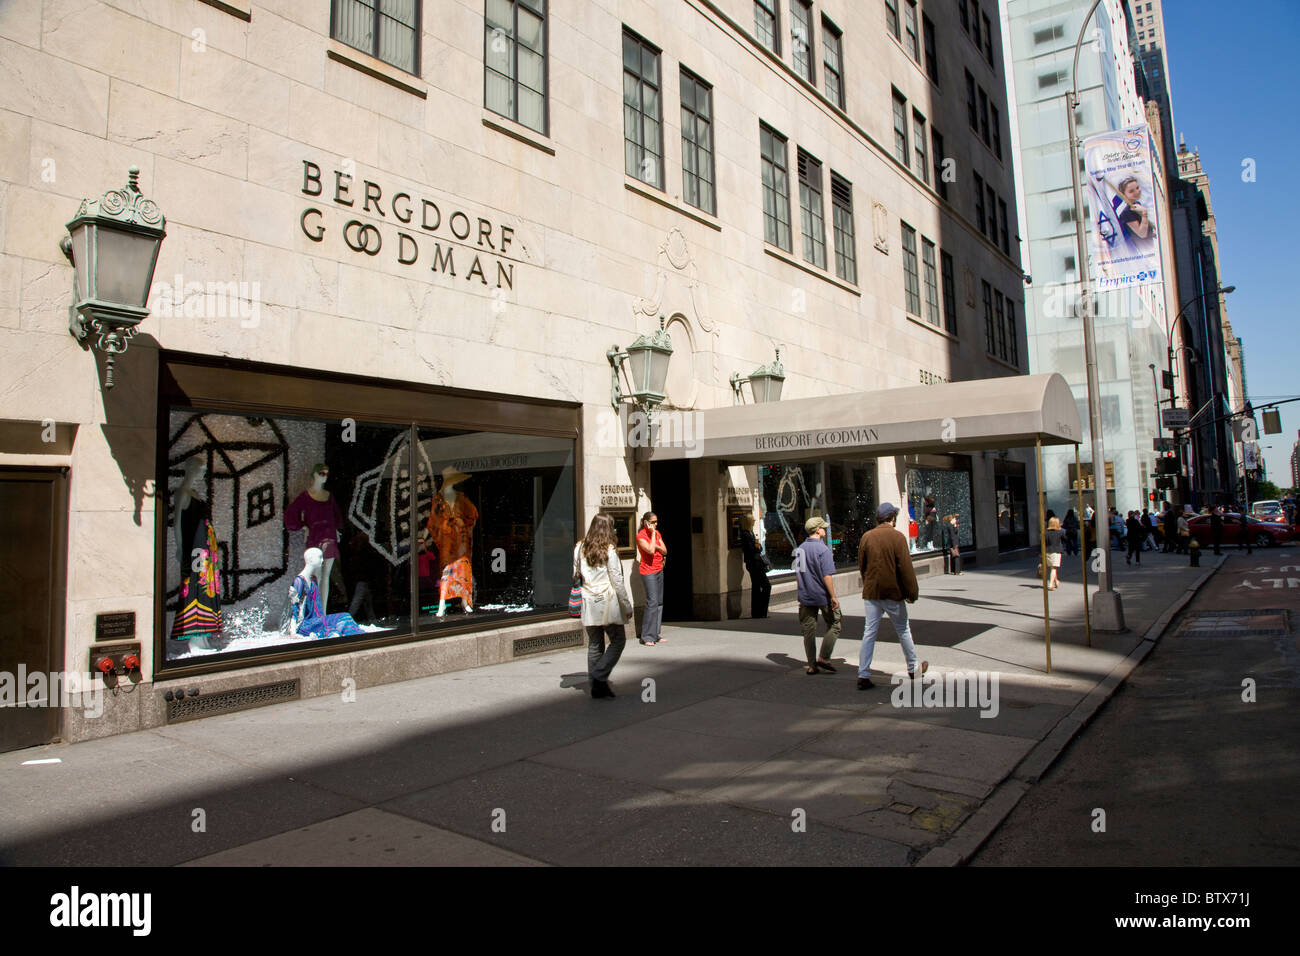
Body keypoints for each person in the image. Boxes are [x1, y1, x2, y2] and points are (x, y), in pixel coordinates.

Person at [857, 502, 927, 690]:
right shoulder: (897, 538)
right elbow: (905, 569)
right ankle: (913, 668)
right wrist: (912, 592)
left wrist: (868, 583)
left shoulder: (867, 537)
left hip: (872, 592)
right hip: (893, 592)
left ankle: (863, 674)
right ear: (892, 518)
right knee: (903, 630)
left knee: (869, 632)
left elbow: (862, 565)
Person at [574, 514, 634, 699]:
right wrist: (626, 605)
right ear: (608, 529)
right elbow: (617, 580)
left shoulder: (579, 547)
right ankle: (599, 677)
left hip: (588, 600)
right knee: (618, 641)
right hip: (607, 602)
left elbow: (575, 574)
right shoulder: (610, 550)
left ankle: (596, 686)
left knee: (595, 644)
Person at [794, 516, 840, 675]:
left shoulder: (800, 549)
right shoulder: (823, 549)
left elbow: (798, 574)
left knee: (808, 630)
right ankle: (824, 657)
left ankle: (812, 665)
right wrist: (833, 596)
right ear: (818, 530)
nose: (825, 530)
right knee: (835, 623)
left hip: (805, 595)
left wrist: (801, 592)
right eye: (823, 528)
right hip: (822, 595)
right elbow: (827, 576)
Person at [636, 511, 667, 645]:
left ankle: (655, 634)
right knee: (652, 602)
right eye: (653, 522)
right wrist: (653, 534)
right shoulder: (641, 535)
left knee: (659, 602)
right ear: (646, 522)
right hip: (648, 571)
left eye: (656, 522)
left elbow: (665, 551)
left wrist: (657, 545)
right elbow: (649, 550)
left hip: (659, 569)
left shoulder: (658, 533)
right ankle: (647, 636)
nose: (656, 524)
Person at [739, 514, 771, 618]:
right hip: (754, 564)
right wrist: (757, 546)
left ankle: (759, 612)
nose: (754, 520)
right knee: (765, 585)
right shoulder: (745, 534)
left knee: (757, 587)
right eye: (752, 519)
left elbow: (757, 547)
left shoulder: (750, 532)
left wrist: (757, 546)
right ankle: (760, 611)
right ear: (748, 521)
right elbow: (752, 549)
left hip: (755, 562)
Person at [1044, 516, 1064, 590]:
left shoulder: (1046, 533)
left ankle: (1056, 581)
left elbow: (1043, 542)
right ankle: (1050, 584)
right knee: (1054, 568)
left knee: (1053, 567)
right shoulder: (1060, 532)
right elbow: (1065, 539)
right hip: (1056, 551)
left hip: (1048, 551)